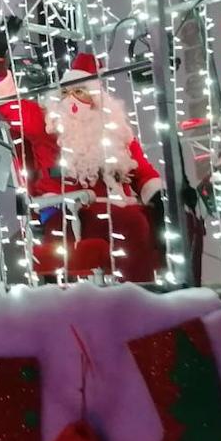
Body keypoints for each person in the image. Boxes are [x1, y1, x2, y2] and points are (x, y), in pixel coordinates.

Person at [41, 52, 164, 282]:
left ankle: (146, 293)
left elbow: (142, 170)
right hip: (75, 209)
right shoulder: (50, 131)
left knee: (156, 220)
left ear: (96, 99)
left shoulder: (118, 132)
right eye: (65, 93)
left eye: (79, 92)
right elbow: (10, 108)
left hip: (121, 205)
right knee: (130, 223)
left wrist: (158, 195)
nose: (71, 101)